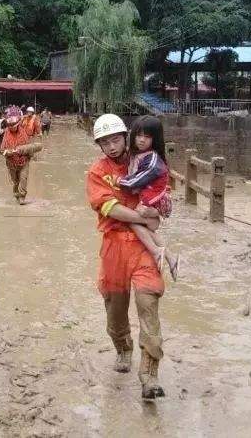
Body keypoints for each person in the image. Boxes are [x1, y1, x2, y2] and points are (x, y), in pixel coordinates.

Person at [86, 114, 167, 400]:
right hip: (114, 246)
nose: (111, 146)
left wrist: (159, 211)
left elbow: (163, 191)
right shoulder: (97, 172)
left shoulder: (144, 161)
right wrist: (145, 221)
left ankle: (150, 375)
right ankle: (123, 347)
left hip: (143, 249)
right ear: (99, 144)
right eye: (105, 142)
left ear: (126, 137)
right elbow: (110, 208)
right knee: (115, 308)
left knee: (149, 303)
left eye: (116, 139)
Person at [117, 115, 178, 280]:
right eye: (138, 135)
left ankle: (156, 251)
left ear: (155, 139)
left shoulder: (152, 160)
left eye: (147, 136)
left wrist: (117, 181)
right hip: (151, 198)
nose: (141, 140)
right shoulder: (138, 154)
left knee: (132, 220)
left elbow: (136, 180)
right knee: (144, 225)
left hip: (156, 201)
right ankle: (170, 257)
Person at [0, 105, 42, 204]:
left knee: (23, 179)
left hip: (24, 160)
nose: (12, 127)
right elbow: (2, 150)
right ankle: (16, 192)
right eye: (10, 126)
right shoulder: (6, 134)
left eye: (14, 125)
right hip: (11, 162)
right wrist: (8, 152)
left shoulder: (24, 130)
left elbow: (32, 146)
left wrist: (23, 150)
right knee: (15, 181)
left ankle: (22, 196)